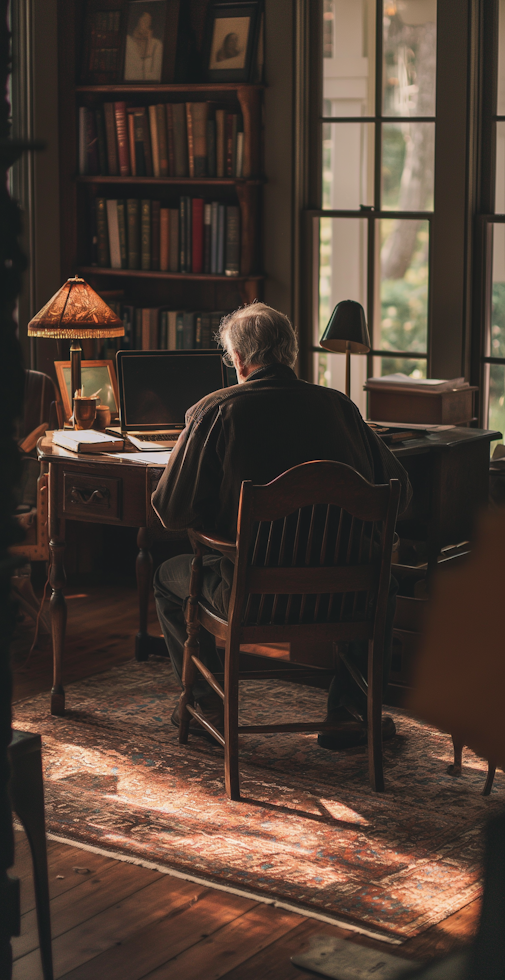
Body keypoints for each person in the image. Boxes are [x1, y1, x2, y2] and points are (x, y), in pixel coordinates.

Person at [151, 303, 411, 747]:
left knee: (166, 578)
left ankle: (206, 704)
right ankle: (349, 715)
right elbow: (399, 492)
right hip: (346, 598)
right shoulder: (340, 408)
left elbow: (172, 512)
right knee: (378, 579)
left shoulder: (214, 411)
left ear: (238, 359)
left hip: (251, 600)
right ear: (289, 353)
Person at [124, 10, 163, 81]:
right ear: (137, 21)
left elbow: (152, 77)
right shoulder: (127, 41)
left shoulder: (156, 44)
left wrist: (149, 44)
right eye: (145, 21)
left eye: (149, 22)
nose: (147, 24)